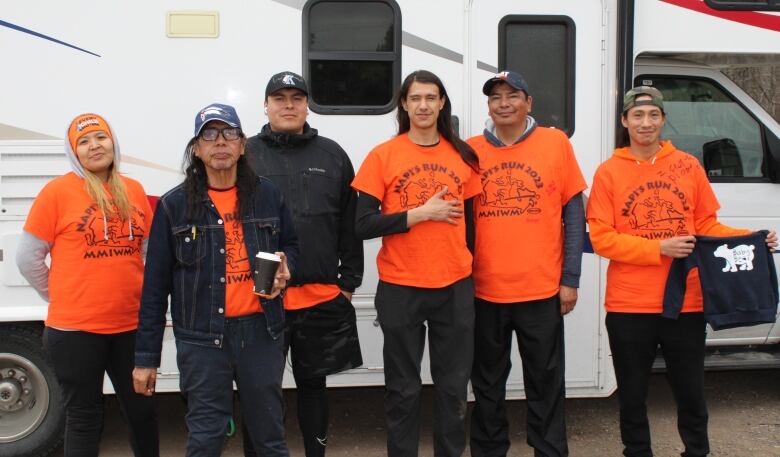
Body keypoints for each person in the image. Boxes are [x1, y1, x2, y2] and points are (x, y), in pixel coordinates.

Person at [586, 86, 778, 457]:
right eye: (637, 116)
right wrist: (658, 248)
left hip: (687, 302)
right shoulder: (609, 173)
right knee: (633, 393)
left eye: (653, 115)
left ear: (662, 119)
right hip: (630, 306)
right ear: (625, 121)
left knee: (690, 391)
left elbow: (707, 224)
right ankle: (637, 452)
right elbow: (602, 239)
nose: (646, 123)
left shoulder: (688, 165)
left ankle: (697, 451)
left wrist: (751, 238)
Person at [132, 103, 298, 457]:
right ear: (197, 148)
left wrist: (287, 265)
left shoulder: (268, 195)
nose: (220, 142)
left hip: (261, 333)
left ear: (242, 145)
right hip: (202, 339)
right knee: (206, 439)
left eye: (229, 133)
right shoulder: (173, 206)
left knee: (270, 438)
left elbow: (292, 246)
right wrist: (146, 357)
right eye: (209, 134)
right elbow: (155, 287)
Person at [352, 70, 481, 457]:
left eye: (431, 97)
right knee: (403, 388)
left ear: (442, 104)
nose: (423, 105)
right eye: (415, 98)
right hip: (401, 287)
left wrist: (471, 270)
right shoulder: (383, 156)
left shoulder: (463, 157)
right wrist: (418, 214)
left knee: (454, 387)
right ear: (403, 105)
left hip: (454, 286)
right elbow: (361, 225)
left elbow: (472, 228)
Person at [16, 113, 159, 457]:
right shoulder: (57, 192)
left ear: (113, 143)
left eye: (100, 137)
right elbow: (27, 257)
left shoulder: (135, 190)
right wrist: (58, 294)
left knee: (142, 414)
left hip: (131, 328)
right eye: (83, 141)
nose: (94, 146)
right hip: (74, 332)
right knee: (84, 418)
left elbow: (147, 251)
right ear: (73, 151)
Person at [243, 71, 364, 457]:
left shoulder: (332, 154)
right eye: (279, 98)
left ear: (308, 104)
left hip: (318, 297)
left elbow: (350, 221)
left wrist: (350, 282)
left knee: (314, 388)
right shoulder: (246, 153)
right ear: (266, 105)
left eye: (297, 97)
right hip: (261, 298)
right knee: (261, 390)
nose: (289, 105)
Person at [467, 71, 587, 457]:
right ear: (488, 106)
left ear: (528, 102)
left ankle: (549, 451)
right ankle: (489, 451)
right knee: (486, 383)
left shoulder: (556, 144)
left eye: (512, 95)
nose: (503, 103)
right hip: (484, 291)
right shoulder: (470, 151)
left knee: (546, 381)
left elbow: (574, 216)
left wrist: (570, 278)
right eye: (495, 97)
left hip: (542, 290)